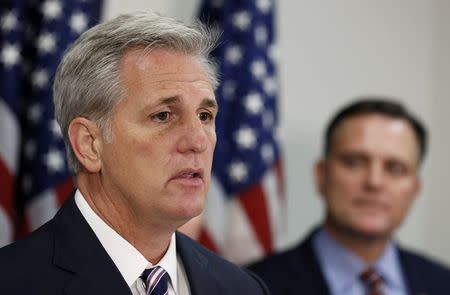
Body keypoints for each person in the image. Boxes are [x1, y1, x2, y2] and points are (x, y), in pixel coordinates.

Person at [0, 11, 269, 295]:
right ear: (89, 144)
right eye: (164, 116)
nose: (198, 141)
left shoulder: (243, 288)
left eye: (204, 115)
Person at [249, 98, 450, 294]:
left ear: (415, 189)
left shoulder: (442, 283)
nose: (374, 182)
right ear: (321, 176)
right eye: (354, 162)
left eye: (395, 168)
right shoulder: (253, 286)